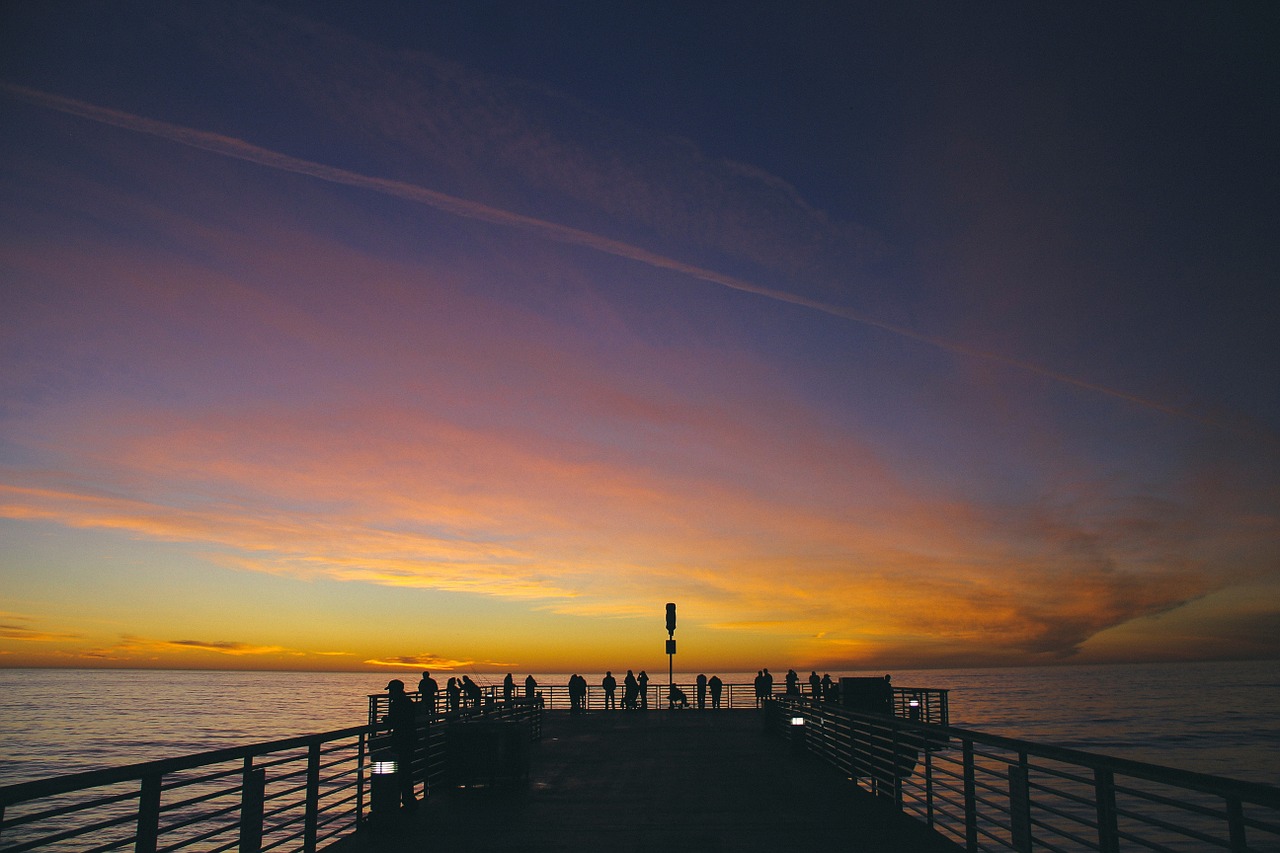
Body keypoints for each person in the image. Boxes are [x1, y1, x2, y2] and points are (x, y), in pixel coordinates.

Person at [383, 680, 418, 809]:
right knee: (407, 770)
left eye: (391, 691)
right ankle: (409, 799)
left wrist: (387, 719)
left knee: (401, 771)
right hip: (410, 738)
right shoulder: (409, 702)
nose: (390, 694)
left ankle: (398, 801)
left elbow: (396, 721)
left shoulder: (396, 704)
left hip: (401, 740)